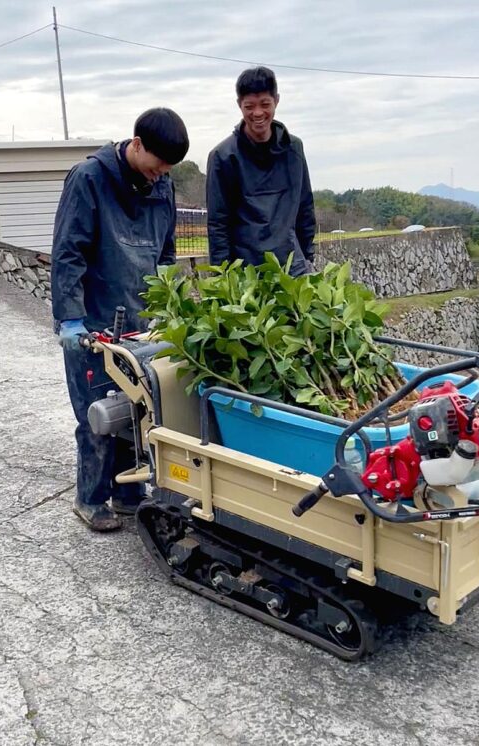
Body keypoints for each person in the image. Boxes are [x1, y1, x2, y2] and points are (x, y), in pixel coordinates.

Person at [51, 108, 189, 531]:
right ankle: (90, 499)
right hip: (93, 321)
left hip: (140, 318)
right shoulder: (88, 179)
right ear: (136, 144)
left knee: (138, 410)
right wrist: (70, 319)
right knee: (97, 414)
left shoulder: (160, 185)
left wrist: (168, 303)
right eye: (157, 164)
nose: (160, 175)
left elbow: (164, 254)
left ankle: (128, 492)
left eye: (168, 170)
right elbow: (68, 254)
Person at [206, 66, 316, 276]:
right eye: (249, 106)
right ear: (239, 105)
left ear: (277, 100)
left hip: (293, 269)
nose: (258, 113)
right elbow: (218, 225)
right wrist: (223, 277)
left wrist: (308, 258)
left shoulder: (294, 150)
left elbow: (305, 207)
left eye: (265, 104)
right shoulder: (223, 157)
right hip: (247, 274)